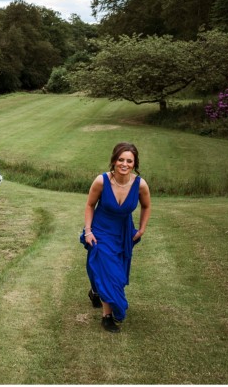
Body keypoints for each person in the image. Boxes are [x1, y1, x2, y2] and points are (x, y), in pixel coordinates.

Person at [80, 142, 152, 333]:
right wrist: (88, 230)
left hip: (123, 233)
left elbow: (146, 206)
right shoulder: (101, 181)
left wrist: (142, 229)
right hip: (101, 232)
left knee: (117, 274)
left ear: (134, 163)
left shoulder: (140, 184)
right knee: (110, 273)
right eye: (121, 159)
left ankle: (96, 291)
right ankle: (108, 316)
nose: (124, 164)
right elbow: (89, 205)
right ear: (114, 161)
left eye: (129, 161)